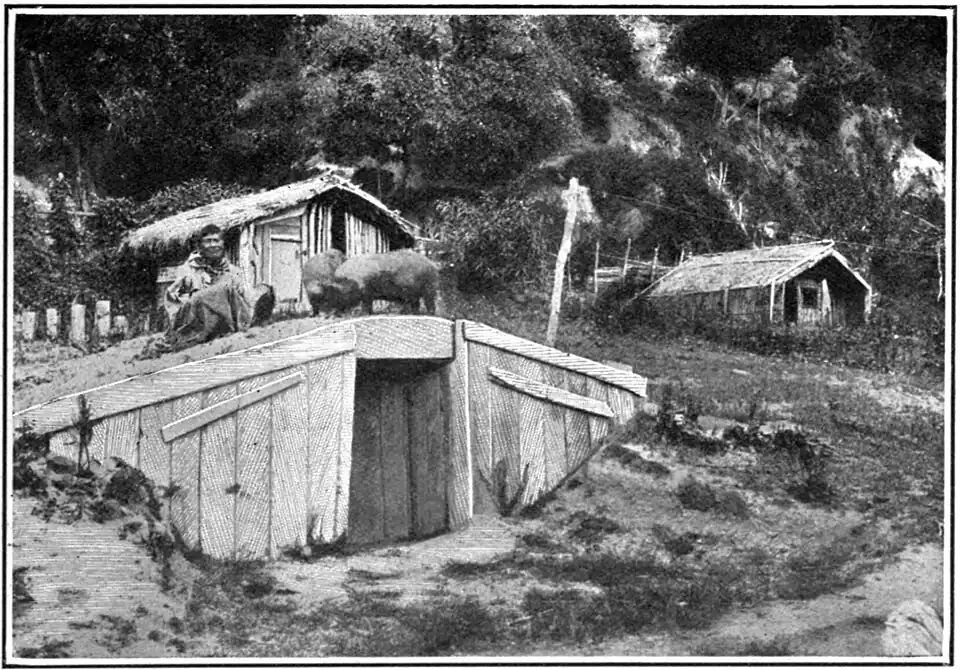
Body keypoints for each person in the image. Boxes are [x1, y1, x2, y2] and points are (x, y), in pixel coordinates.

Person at [152, 224, 273, 354]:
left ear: (223, 244)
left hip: (223, 323)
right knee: (221, 290)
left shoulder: (233, 272)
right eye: (208, 241)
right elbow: (172, 302)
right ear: (200, 246)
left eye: (216, 241)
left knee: (256, 290)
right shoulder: (187, 270)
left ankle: (248, 321)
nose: (213, 245)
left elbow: (242, 300)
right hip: (193, 322)